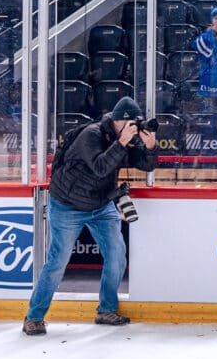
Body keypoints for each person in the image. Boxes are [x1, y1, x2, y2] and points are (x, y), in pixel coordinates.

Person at [22, 96, 158, 336]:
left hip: (101, 205)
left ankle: (106, 310)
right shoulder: (91, 135)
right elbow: (100, 167)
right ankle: (34, 317)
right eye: (130, 124)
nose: (133, 129)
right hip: (67, 205)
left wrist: (149, 148)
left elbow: (144, 165)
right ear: (119, 121)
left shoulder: (122, 138)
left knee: (117, 255)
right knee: (57, 262)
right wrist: (122, 143)